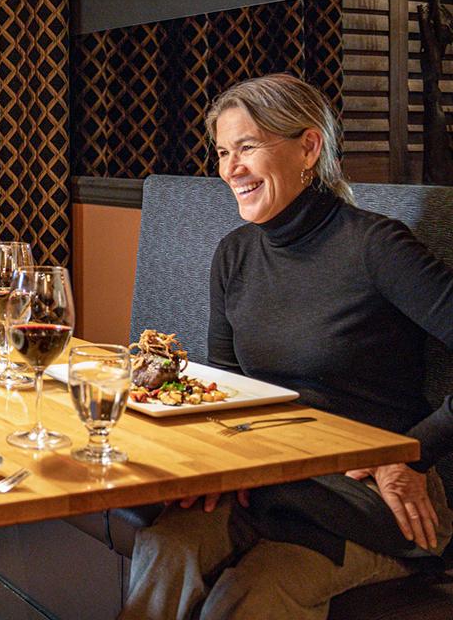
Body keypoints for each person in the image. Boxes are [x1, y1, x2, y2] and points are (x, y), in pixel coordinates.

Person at [120, 73, 453, 620]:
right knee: (165, 547)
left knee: (248, 597)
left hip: (370, 489)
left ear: (308, 146)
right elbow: (224, 386)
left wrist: (414, 453)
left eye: (247, 146)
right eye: (224, 151)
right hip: (272, 472)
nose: (231, 168)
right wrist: (214, 467)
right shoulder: (235, 254)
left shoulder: (376, 246)